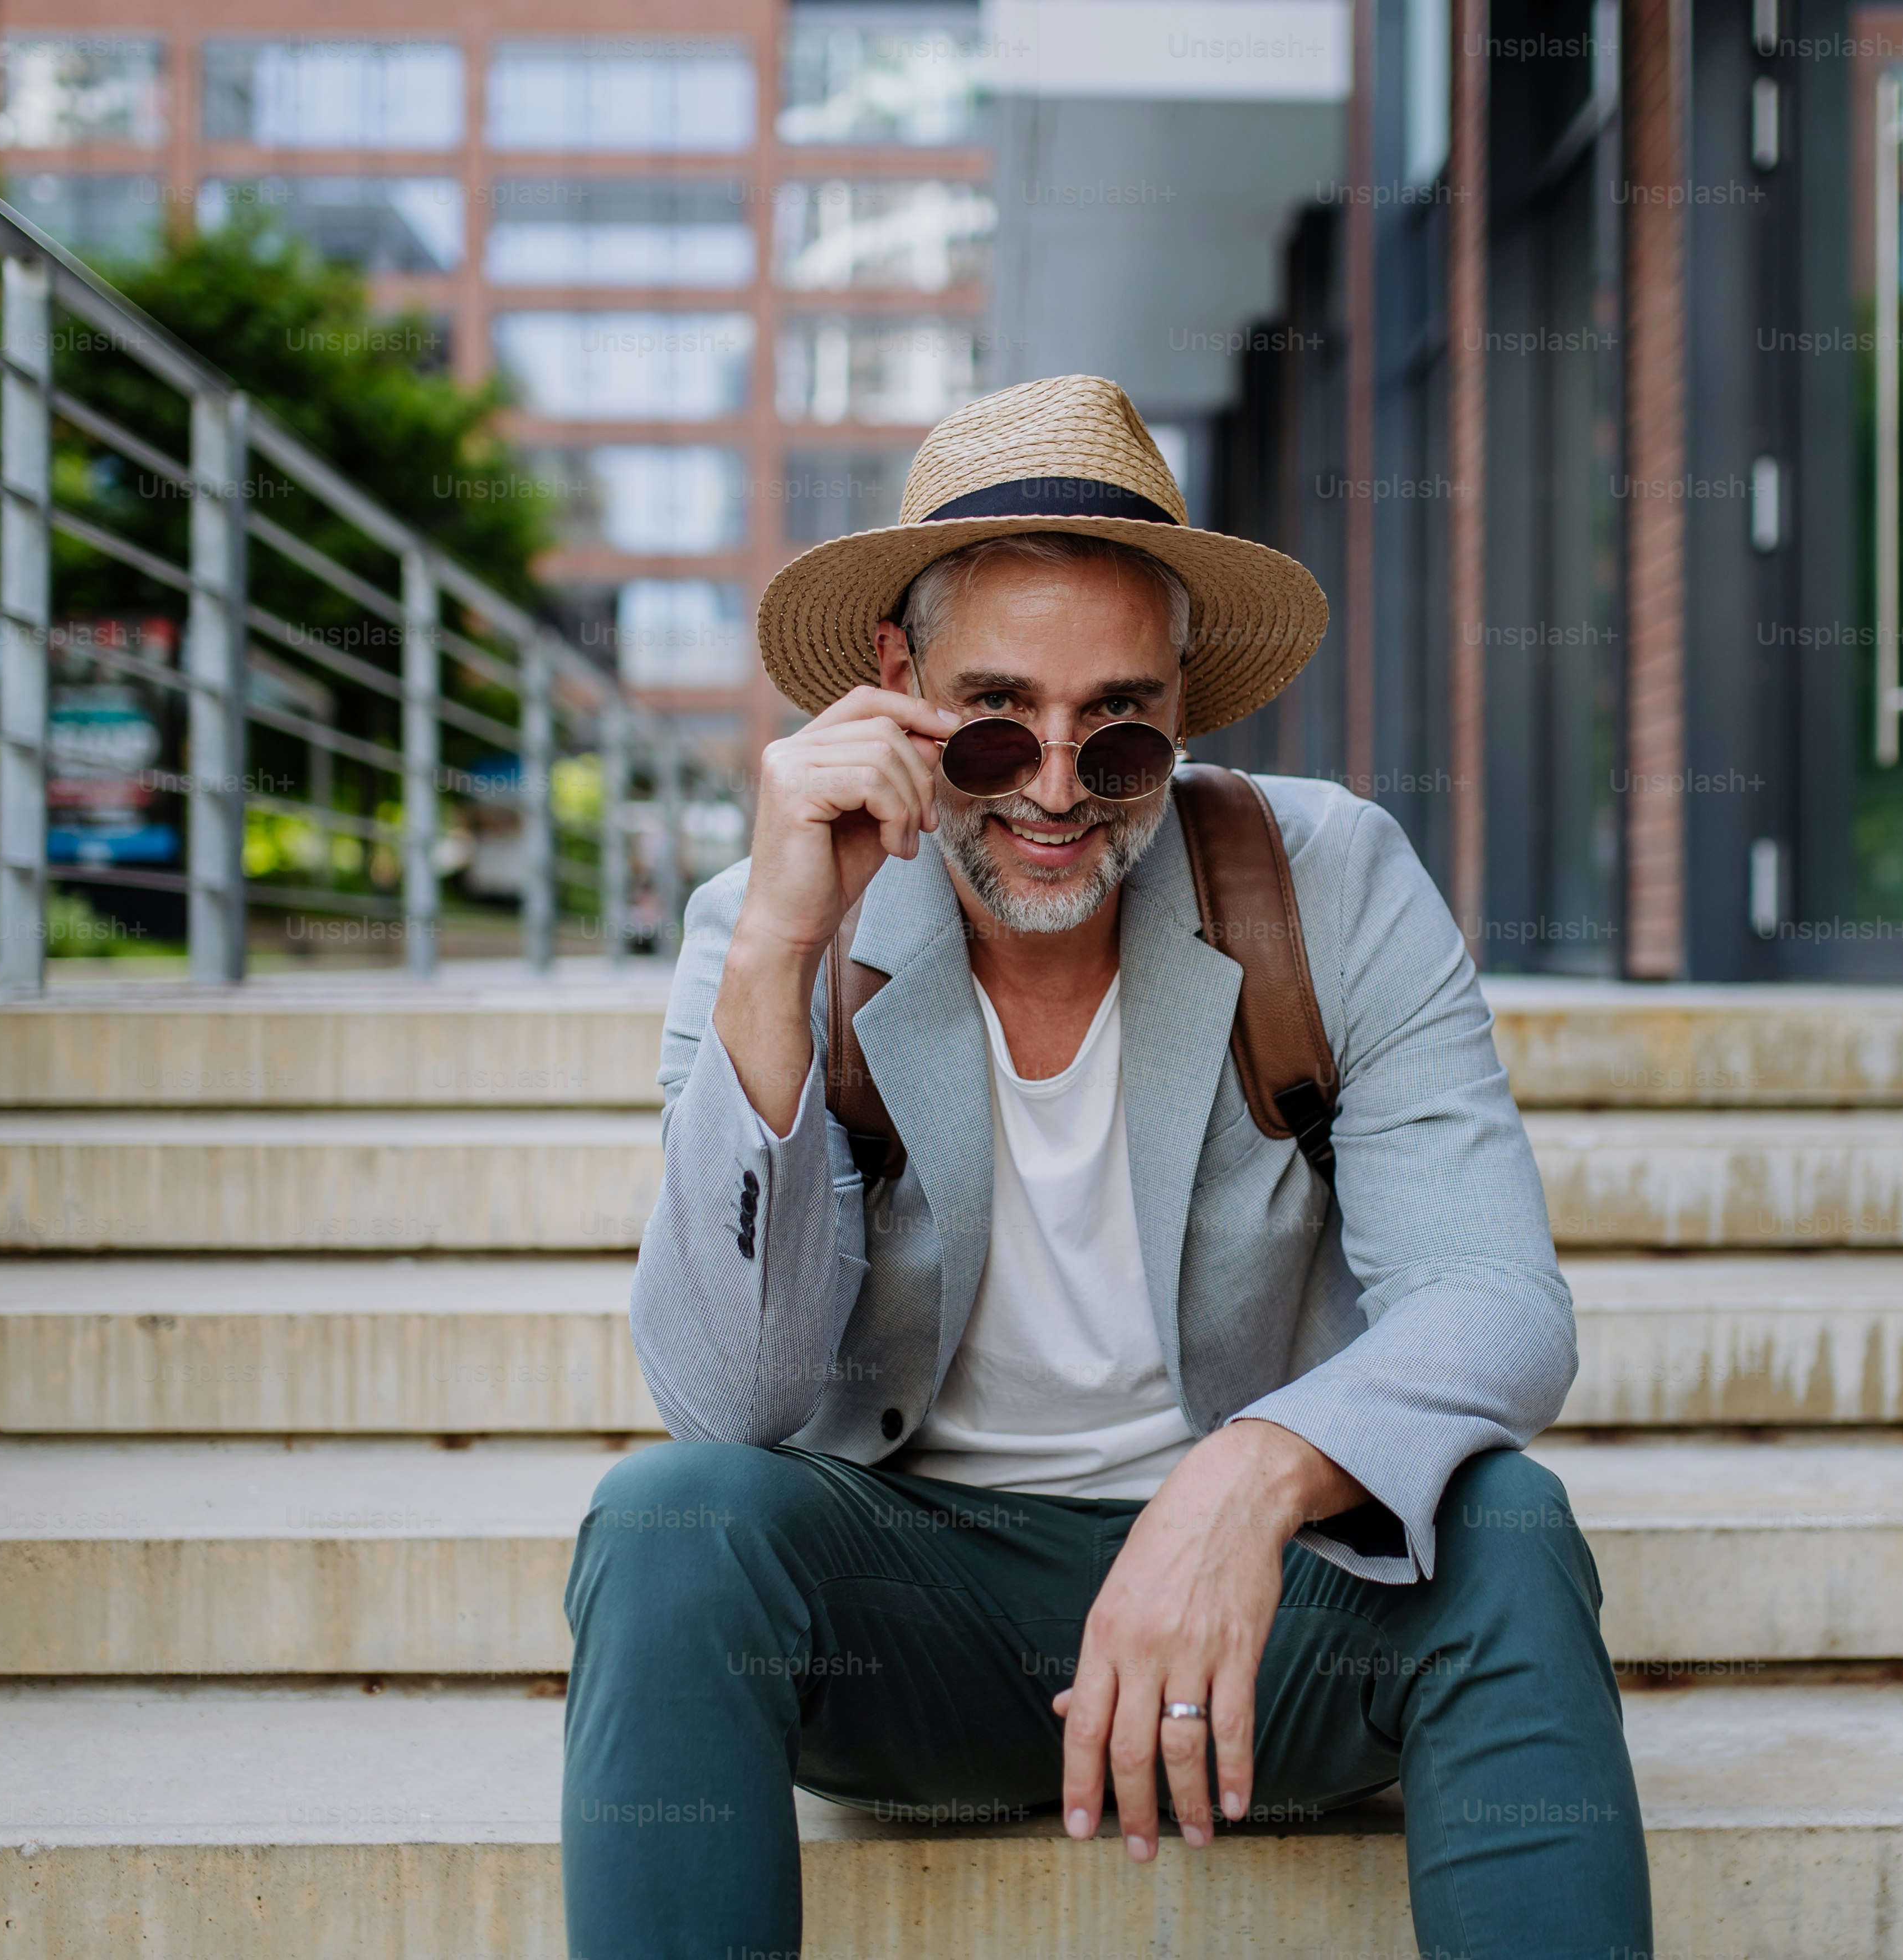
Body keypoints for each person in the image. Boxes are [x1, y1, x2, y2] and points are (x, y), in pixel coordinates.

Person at [562, 373, 1650, 1957]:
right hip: (910, 1640)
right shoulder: (771, 921)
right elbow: (728, 1399)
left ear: (1183, 703)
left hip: (1258, 1625)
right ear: (895, 682)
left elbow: (1495, 1302)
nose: (1059, 788)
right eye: (996, 722)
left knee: (1509, 1530)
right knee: (671, 1526)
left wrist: (1246, 1482)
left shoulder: (1329, 877)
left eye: (1118, 729)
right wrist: (780, 963)